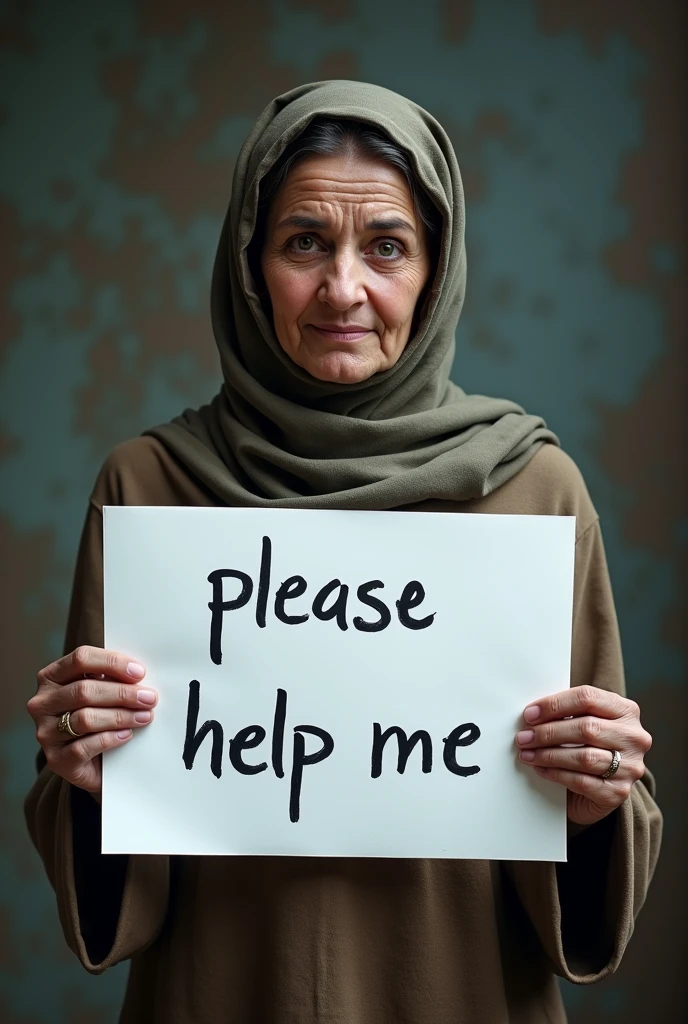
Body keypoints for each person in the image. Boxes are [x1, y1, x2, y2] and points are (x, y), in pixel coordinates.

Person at [25, 80, 660, 1024]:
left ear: (435, 272)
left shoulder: (534, 489)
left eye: (387, 247)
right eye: (304, 243)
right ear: (251, 262)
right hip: (219, 991)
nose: (344, 289)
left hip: (464, 991)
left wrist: (597, 796)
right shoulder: (151, 486)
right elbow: (116, 875)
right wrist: (82, 773)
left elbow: (592, 853)